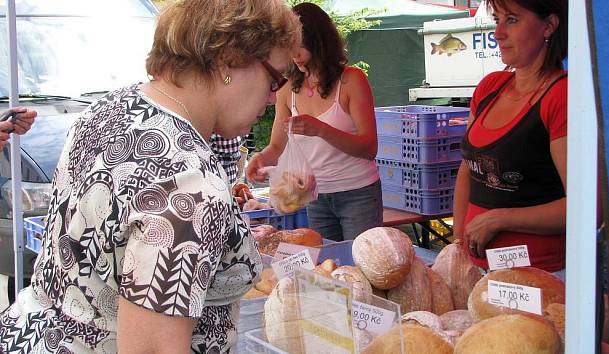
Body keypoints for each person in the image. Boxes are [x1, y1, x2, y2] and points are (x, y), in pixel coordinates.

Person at [0, 0, 300, 353]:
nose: (273, 98)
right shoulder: (190, 185)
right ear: (229, 59)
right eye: (275, 79)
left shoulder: (108, 109)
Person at [246, 2, 382, 242]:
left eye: (300, 46)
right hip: (314, 196)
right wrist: (261, 158)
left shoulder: (351, 80)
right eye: (290, 48)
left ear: (319, 41)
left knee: (363, 267)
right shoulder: (288, 88)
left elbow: (369, 148)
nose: (295, 55)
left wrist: (320, 129)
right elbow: (277, 146)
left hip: (358, 193)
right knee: (327, 265)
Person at [453, 0, 568, 273]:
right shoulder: (489, 87)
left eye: (512, 20)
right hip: (477, 270)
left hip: (538, 276)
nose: (498, 33)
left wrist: (499, 219)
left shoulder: (561, 96)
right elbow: (467, 171)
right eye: (497, 20)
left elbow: (585, 206)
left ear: (549, 26)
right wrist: (457, 244)